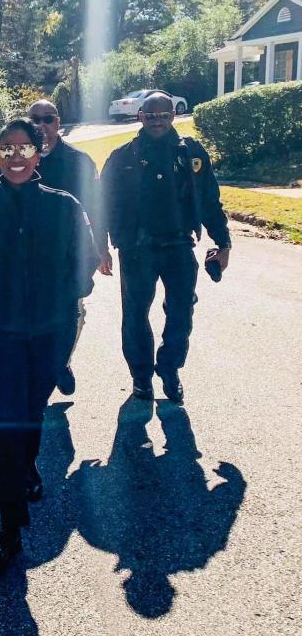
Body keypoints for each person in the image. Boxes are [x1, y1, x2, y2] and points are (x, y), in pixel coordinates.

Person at [0, 118, 98, 574]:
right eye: (7, 148)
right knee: (5, 426)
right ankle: (9, 528)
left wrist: (61, 299)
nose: (15, 156)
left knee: (33, 413)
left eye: (24, 148)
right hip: (3, 337)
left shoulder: (64, 206)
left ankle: (28, 469)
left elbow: (86, 263)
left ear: (39, 153)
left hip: (51, 331)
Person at [97, 91, 231, 403]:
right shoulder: (121, 158)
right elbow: (103, 203)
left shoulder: (192, 154)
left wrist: (223, 241)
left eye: (163, 115)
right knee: (135, 316)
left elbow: (210, 199)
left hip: (179, 246)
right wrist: (100, 247)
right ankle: (141, 377)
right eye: (151, 116)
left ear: (172, 116)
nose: (157, 121)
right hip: (136, 248)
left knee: (181, 312)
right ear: (140, 117)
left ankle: (169, 368)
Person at [0, 99, 101, 396]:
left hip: (64, 260)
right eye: (35, 118)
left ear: (58, 122)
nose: (42, 125)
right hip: (19, 259)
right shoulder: (13, 159)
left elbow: (95, 209)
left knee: (74, 314)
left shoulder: (79, 162)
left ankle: (60, 360)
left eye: (48, 118)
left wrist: (100, 249)